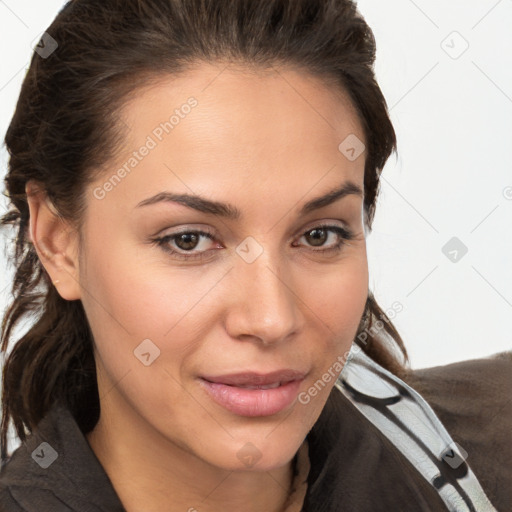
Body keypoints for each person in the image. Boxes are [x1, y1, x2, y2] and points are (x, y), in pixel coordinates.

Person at [0, 1, 510, 511]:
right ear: (58, 241)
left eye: (319, 235)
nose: (271, 319)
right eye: (189, 240)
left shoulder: (486, 460)